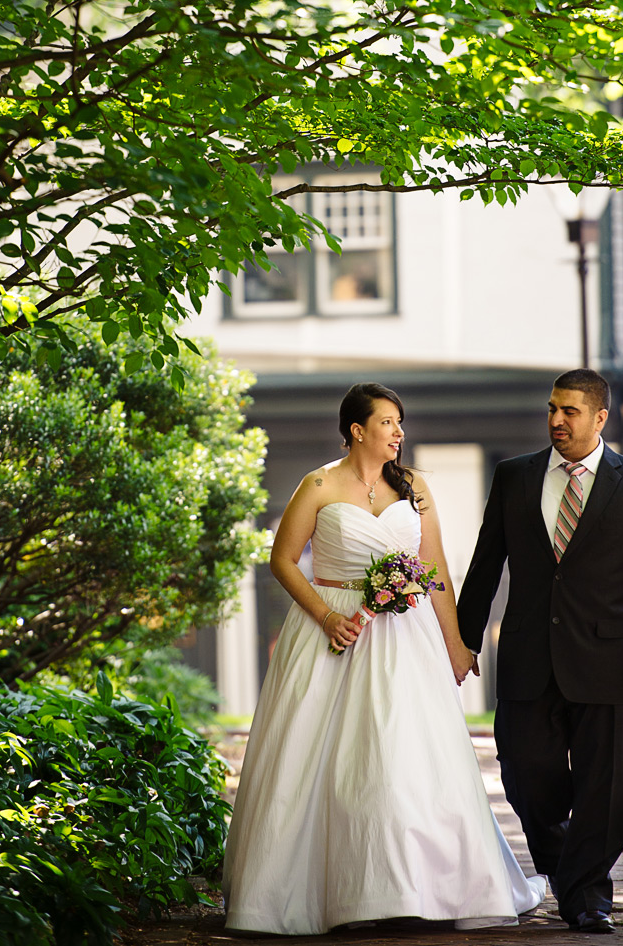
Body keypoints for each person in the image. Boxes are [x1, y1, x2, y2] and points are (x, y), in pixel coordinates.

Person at [222, 382, 547, 936]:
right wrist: (327, 616)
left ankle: (415, 887)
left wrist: (456, 646)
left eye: (401, 423)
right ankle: (332, 891)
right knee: (325, 763)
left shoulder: (415, 486)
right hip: (333, 630)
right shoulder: (319, 484)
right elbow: (283, 561)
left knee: (405, 756)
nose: (399, 433)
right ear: (357, 430)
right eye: (389, 422)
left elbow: (435, 567)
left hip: (405, 635)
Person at [457, 369, 623, 935]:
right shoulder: (514, 476)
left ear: (600, 417)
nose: (557, 420)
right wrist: (461, 639)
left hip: (609, 659)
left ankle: (586, 897)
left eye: (571, 411)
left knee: (603, 786)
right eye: (552, 409)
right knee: (527, 778)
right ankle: (567, 874)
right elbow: (487, 565)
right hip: (529, 658)